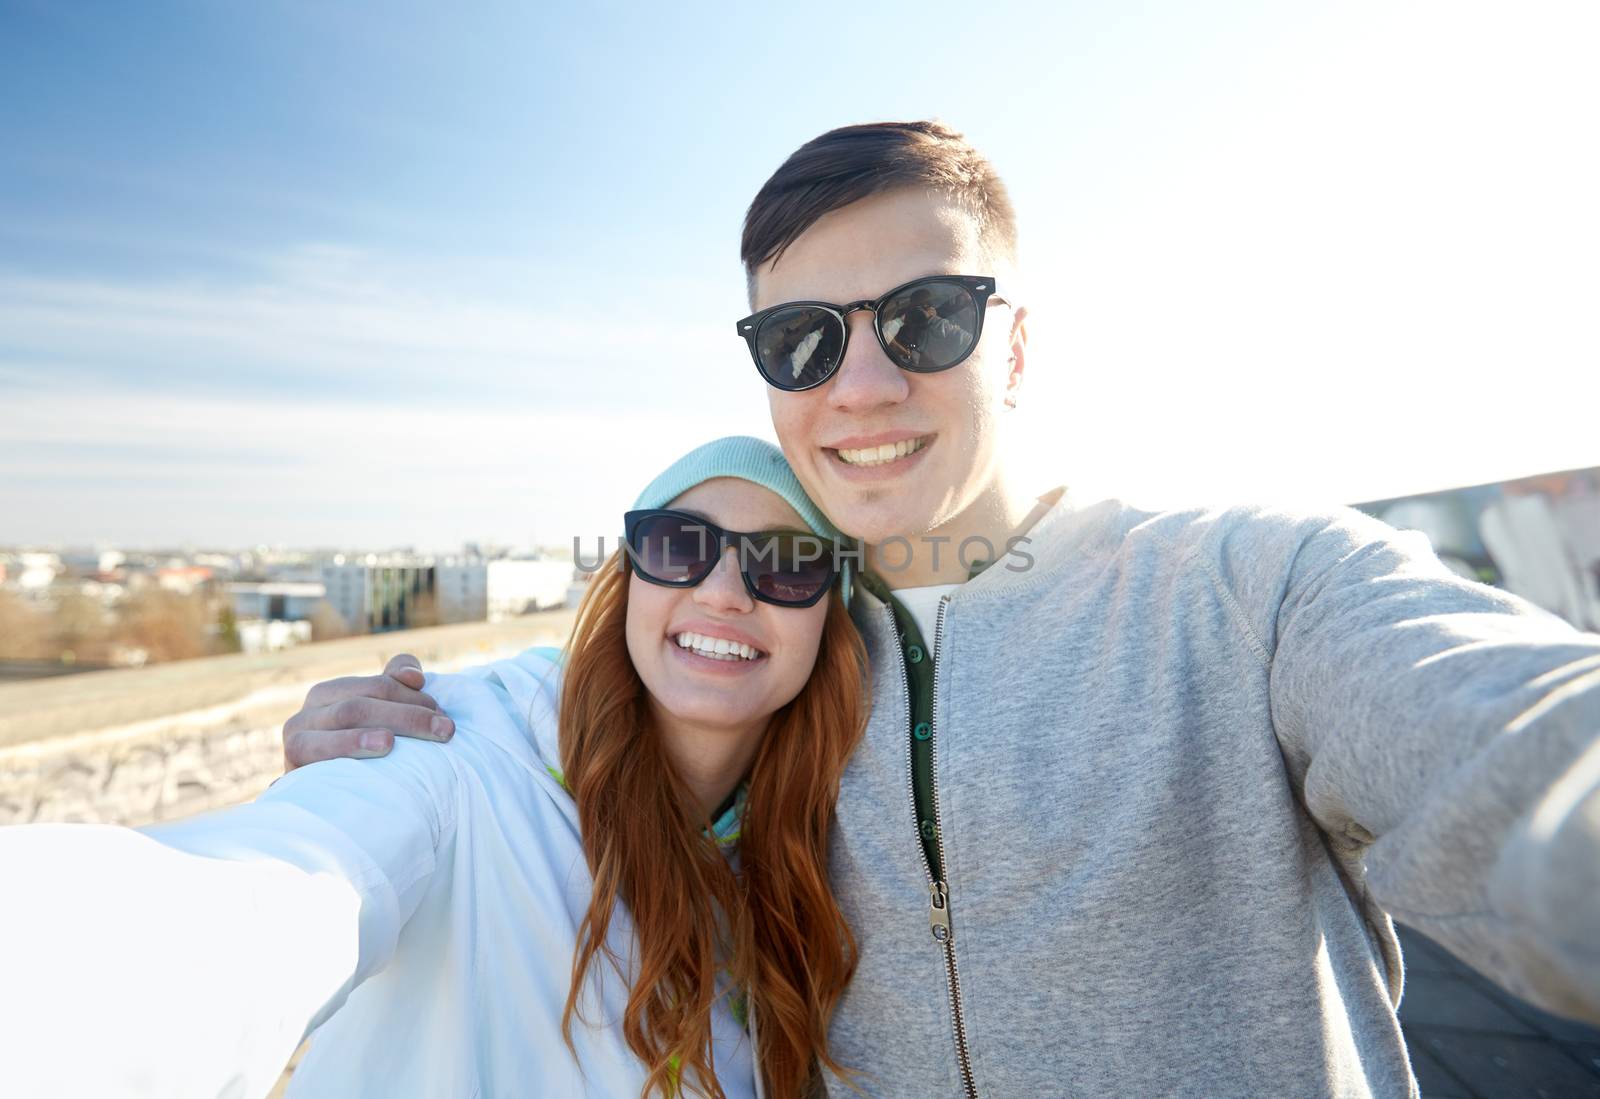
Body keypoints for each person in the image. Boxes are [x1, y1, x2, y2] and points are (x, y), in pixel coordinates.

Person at [283, 121, 1600, 1097]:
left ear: (1014, 345)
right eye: (801, 338)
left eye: (924, 316)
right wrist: (401, 732)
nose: (859, 384)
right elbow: (599, 712)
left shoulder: (1251, 590)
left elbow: (1506, 729)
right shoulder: (784, 641)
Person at [0, 436, 867, 1099]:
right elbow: (257, 899)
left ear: (834, 617)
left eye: (787, 564)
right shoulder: (456, 747)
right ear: (628, 575)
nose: (722, 590)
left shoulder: (828, 846)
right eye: (679, 544)